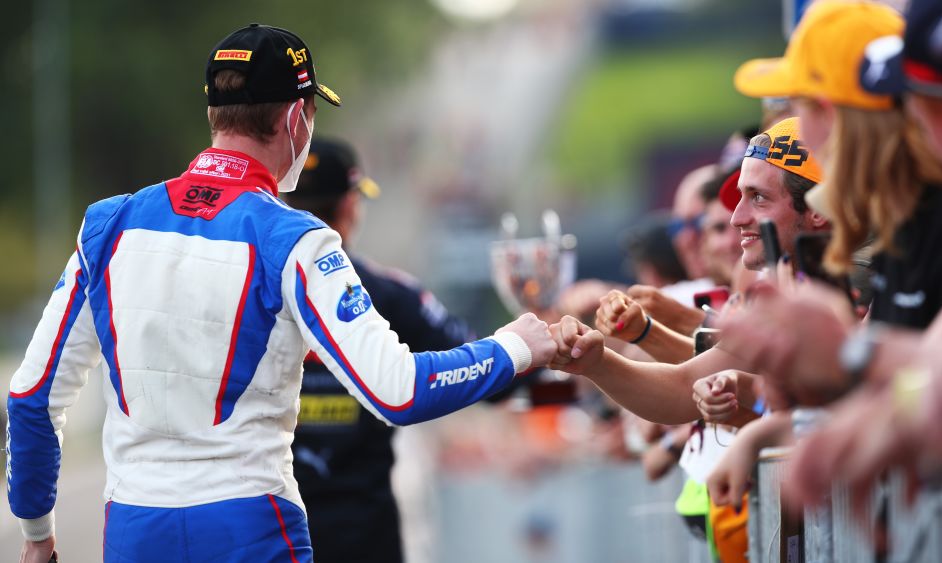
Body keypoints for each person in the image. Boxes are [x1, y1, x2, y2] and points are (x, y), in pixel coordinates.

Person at [5, 24, 555, 563]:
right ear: (296, 118)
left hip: (133, 530)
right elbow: (398, 392)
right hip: (251, 526)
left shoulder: (108, 225)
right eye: (312, 114)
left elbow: (31, 397)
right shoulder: (296, 240)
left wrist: (37, 532)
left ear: (214, 114)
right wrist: (514, 346)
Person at [718, 0, 942, 506]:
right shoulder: (907, 223)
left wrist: (848, 359)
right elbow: (937, 374)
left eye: (797, 109)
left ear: (830, 113)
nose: (795, 133)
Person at [550, 117, 829, 428]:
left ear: (817, 208)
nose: (737, 218)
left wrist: (750, 418)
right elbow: (684, 387)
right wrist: (595, 362)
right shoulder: (780, 281)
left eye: (759, 198)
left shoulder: (855, 283)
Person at [282, 137, 476, 562]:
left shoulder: (249, 288)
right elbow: (473, 363)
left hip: (272, 531)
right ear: (351, 206)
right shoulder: (389, 293)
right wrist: (532, 350)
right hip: (363, 534)